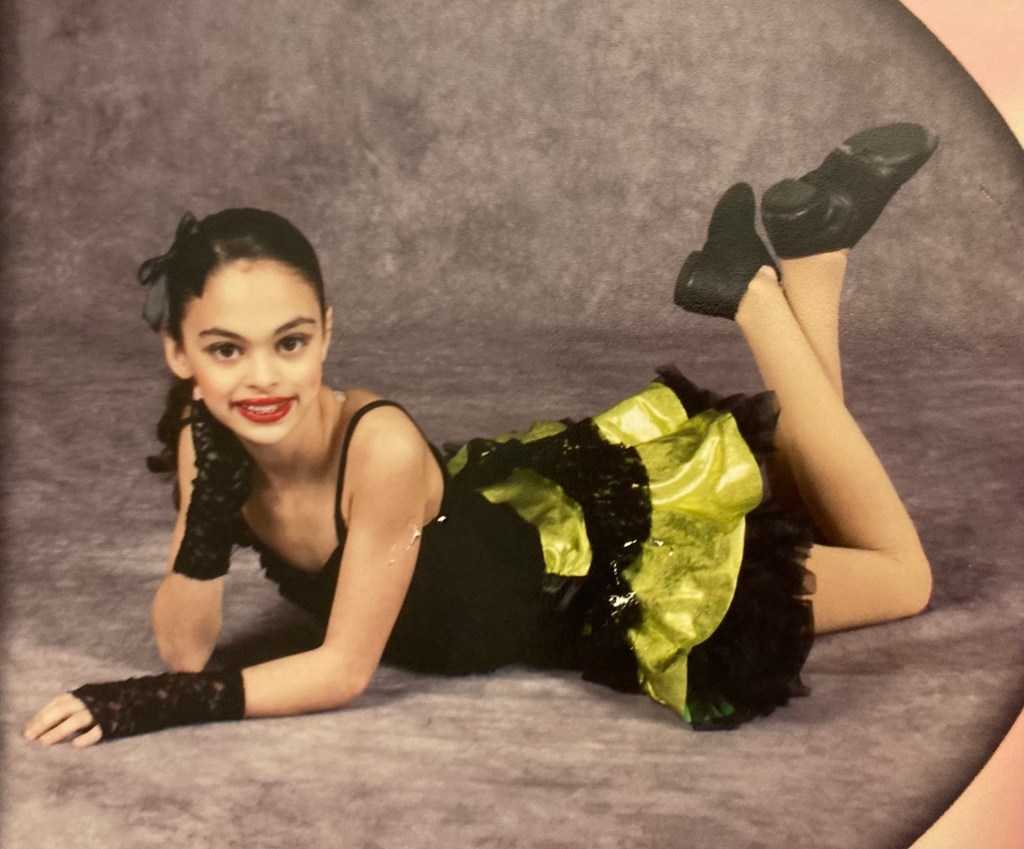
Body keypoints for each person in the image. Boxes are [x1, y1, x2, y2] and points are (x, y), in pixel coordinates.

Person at [24, 122, 937, 747]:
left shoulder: (374, 451)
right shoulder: (206, 438)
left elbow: (341, 669)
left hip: (605, 580)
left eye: (290, 343)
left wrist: (143, 706)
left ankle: (747, 292)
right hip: (527, 517)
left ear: (328, 335)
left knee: (902, 575)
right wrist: (209, 515)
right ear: (179, 353)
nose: (261, 378)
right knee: (796, 493)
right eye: (226, 349)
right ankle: (817, 254)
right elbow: (187, 642)